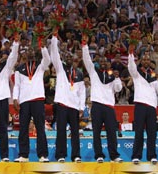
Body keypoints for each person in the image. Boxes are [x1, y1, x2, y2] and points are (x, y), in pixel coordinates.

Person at [82, 37, 123, 163]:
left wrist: (117, 78)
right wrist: (84, 46)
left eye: (106, 61)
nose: (104, 63)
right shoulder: (93, 73)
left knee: (112, 133)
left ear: (109, 64)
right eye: (101, 61)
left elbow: (118, 88)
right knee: (97, 132)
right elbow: (87, 60)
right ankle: (99, 155)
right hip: (97, 106)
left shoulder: (112, 76)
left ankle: (114, 156)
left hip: (109, 107)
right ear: (98, 63)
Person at [50, 34, 85, 163]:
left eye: (72, 57)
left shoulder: (79, 73)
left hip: (74, 107)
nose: (70, 58)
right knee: (61, 131)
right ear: (64, 59)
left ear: (75, 59)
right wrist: (54, 38)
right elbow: (54, 54)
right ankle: (60, 155)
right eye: (67, 57)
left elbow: (82, 91)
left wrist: (81, 107)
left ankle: (76, 156)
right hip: (62, 105)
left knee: (75, 132)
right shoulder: (60, 69)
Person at [13, 45, 51, 162]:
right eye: (27, 50)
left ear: (35, 53)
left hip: (38, 99)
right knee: (23, 128)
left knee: (40, 128)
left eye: (32, 50)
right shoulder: (19, 69)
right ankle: (23, 155)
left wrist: (42, 47)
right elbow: (17, 85)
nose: (30, 52)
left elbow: (48, 60)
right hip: (24, 101)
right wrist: (15, 98)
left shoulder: (40, 66)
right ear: (24, 54)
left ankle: (42, 155)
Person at [128, 53, 158, 164]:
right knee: (139, 131)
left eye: (148, 59)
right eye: (144, 59)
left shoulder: (154, 75)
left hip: (151, 106)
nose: (146, 61)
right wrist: (131, 54)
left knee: (152, 133)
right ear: (141, 61)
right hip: (140, 104)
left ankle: (152, 156)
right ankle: (136, 155)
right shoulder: (137, 73)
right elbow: (131, 67)